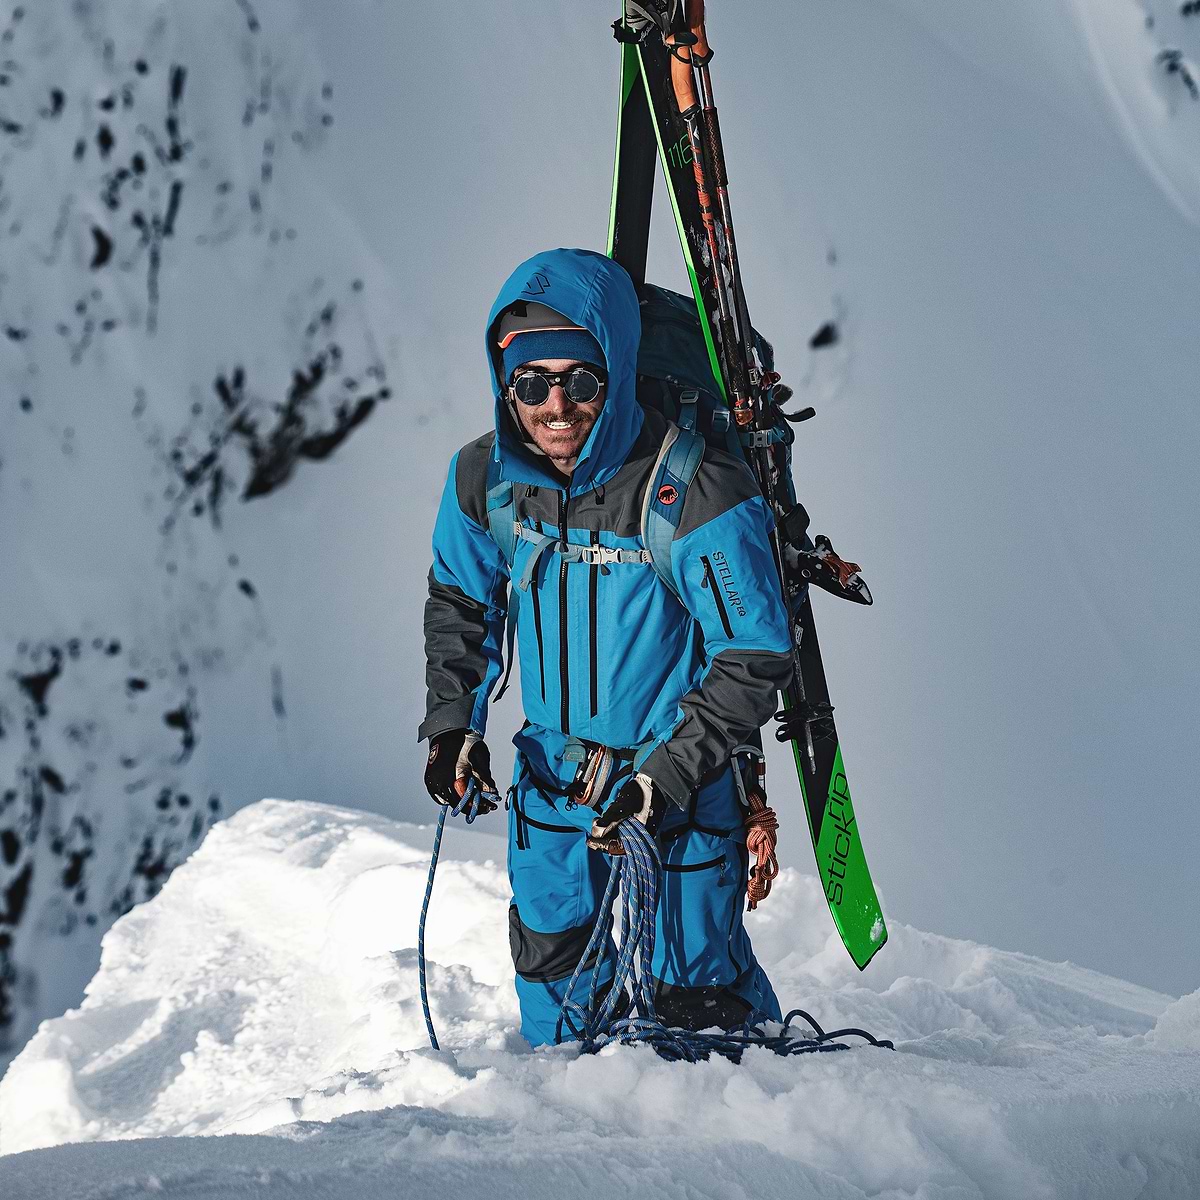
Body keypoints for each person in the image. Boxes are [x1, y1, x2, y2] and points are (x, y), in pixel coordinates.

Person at [420, 246, 793, 1047]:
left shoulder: (695, 489)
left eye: (580, 381)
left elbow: (754, 651)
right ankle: (568, 1113)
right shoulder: (484, 480)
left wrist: (666, 775)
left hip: (684, 788)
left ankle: (736, 1115)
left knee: (698, 999)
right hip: (555, 781)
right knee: (554, 969)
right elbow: (461, 599)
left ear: (615, 376)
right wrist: (454, 722)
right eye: (531, 384)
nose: (556, 405)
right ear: (505, 384)